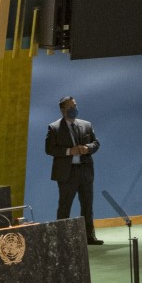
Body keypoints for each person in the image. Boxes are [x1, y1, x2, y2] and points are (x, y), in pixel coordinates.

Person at [45, 96, 102, 245]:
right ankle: (62, 239)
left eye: (75, 105)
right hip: (66, 174)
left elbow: (96, 143)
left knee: (87, 206)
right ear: (63, 110)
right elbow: (49, 149)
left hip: (85, 171)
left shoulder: (86, 125)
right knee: (65, 206)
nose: (74, 109)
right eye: (71, 107)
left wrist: (87, 148)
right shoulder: (54, 127)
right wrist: (70, 151)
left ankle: (89, 236)